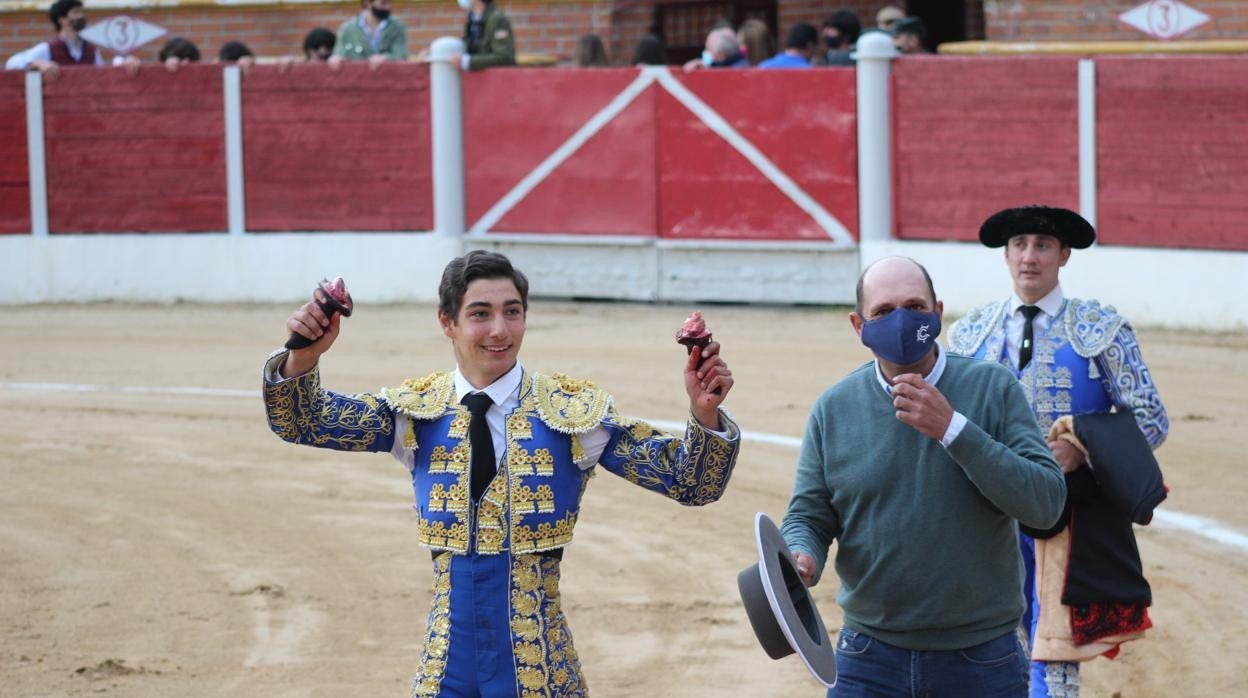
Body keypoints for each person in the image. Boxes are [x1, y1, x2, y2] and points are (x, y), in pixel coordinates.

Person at [261, 251, 742, 695]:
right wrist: (303, 358)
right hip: (445, 665)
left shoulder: (572, 414)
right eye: (480, 314)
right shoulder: (414, 412)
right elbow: (302, 421)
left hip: (541, 670)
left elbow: (691, 481)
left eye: (512, 312)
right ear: (447, 322)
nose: (500, 329)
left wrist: (704, 415)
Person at [781, 256, 1066, 697]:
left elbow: (1046, 505)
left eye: (915, 307)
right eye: (883, 312)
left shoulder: (992, 389)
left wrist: (953, 429)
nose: (900, 321)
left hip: (981, 657)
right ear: (859, 326)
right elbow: (810, 515)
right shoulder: (834, 408)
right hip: (868, 657)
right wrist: (802, 554)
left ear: (937, 314)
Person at [948, 206, 1169, 698]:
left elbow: (1151, 419)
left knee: (1054, 643)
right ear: (1006, 254)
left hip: (1067, 512)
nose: (1030, 257)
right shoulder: (969, 333)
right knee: (987, 632)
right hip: (989, 508)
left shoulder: (1102, 330)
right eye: (1020, 245)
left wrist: (1082, 447)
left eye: (1043, 246)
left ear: (1063, 255)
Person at [5, 0, 103, 77]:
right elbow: (11, 64)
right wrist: (37, 63)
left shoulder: (91, 50)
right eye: (76, 12)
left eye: (81, 12)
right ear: (62, 20)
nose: (81, 16)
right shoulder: (48, 48)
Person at [330, 0, 407, 68]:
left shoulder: (397, 27)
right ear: (368, 3)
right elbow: (339, 53)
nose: (388, 7)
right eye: (383, 3)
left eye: (389, 2)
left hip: (387, 78)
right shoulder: (348, 29)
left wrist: (384, 58)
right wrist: (336, 58)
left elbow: (401, 55)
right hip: (356, 80)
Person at [682, 26, 748, 72]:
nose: (705, 52)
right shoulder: (717, 65)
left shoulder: (740, 69)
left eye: (708, 49)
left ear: (721, 54)